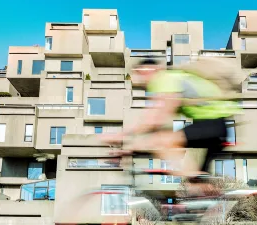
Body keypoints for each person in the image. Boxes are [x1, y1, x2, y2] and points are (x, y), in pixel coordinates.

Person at [101, 57, 241, 183]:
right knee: (197, 184)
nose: (141, 78)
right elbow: (155, 123)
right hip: (217, 127)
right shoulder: (169, 79)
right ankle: (193, 203)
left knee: (164, 141)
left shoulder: (164, 78)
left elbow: (155, 118)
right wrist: (134, 145)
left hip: (214, 123)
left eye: (142, 72)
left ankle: (188, 176)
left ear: (153, 70)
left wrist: (122, 137)